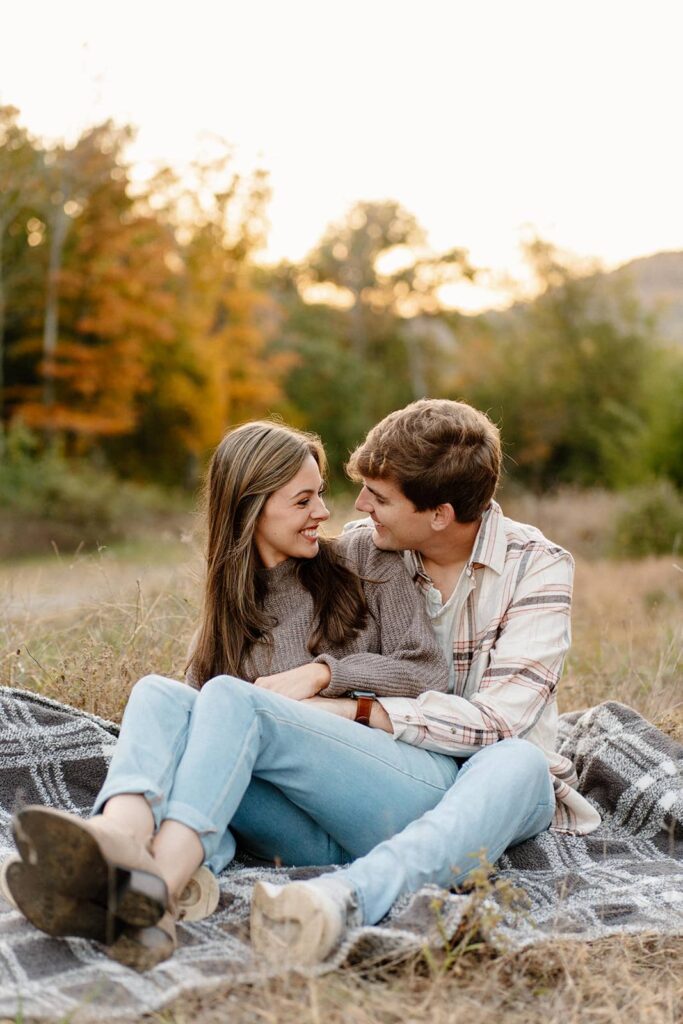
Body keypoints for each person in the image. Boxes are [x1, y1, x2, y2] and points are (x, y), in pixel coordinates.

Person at [6, 419, 458, 971]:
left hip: (374, 803)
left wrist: (324, 674)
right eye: (303, 500)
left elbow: (430, 673)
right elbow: (199, 774)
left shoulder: (367, 561)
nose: (322, 511)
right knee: (160, 695)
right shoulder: (228, 622)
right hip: (295, 833)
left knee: (224, 697)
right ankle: (119, 840)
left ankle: (153, 886)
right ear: (251, 508)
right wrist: (212, 857)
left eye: (320, 495)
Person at [250, 398, 600, 966]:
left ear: (439, 513)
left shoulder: (537, 565)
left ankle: (347, 896)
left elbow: (500, 722)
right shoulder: (369, 548)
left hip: (500, 783)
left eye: (380, 497)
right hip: (392, 778)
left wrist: (349, 709)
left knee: (517, 761)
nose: (359, 507)